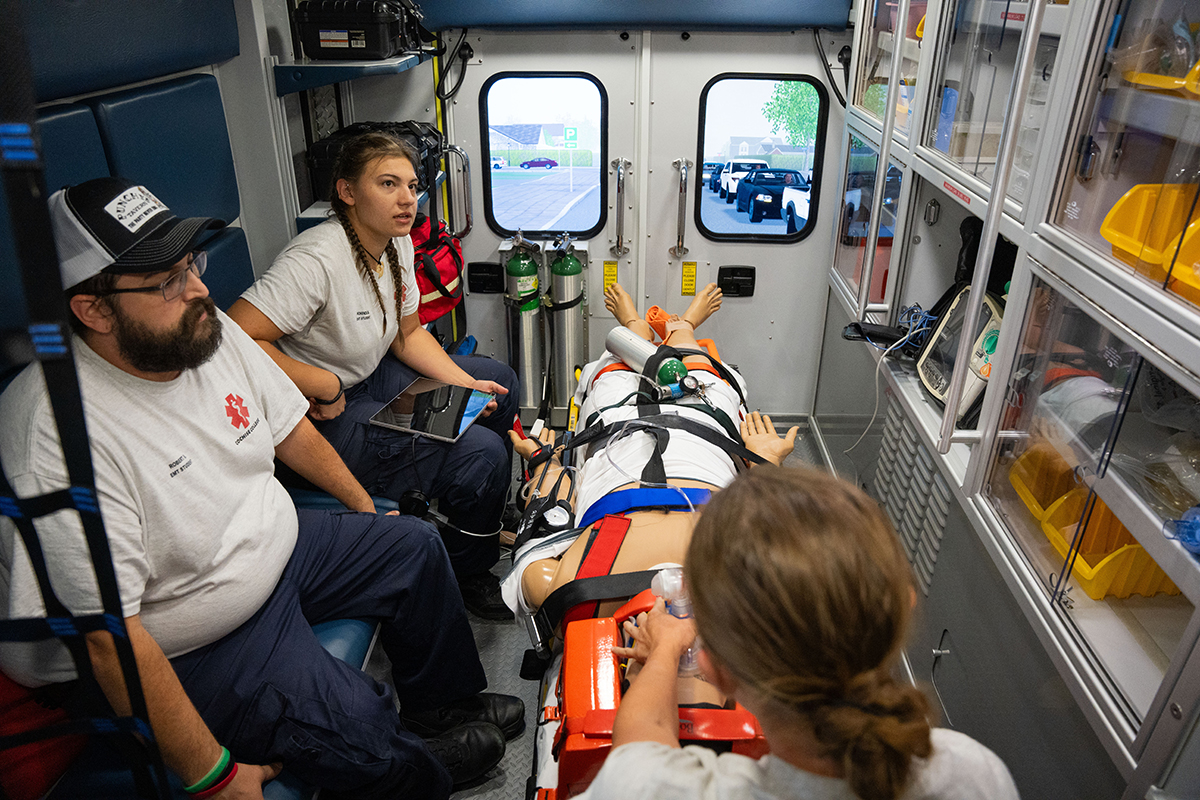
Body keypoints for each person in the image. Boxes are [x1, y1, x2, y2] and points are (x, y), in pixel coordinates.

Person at [0, 177, 523, 800]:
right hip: (184, 635)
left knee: (411, 545)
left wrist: (365, 516)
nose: (198, 289)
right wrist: (212, 780)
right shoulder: (56, 434)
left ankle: (441, 708)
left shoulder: (203, 328)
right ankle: (413, 766)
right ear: (93, 309)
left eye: (190, 264)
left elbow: (288, 429)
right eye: (166, 282)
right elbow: (107, 638)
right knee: (356, 725)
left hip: (269, 544)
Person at [581, 467, 1021, 800]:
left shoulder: (653, 788)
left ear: (713, 668)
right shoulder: (976, 774)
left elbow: (640, 742)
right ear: (903, 604)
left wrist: (664, 648)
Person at [228, 132, 518, 620]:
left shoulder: (394, 242)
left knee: (497, 384)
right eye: (388, 184)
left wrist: (466, 386)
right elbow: (234, 337)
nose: (407, 199)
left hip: (374, 373)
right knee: (482, 455)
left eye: (411, 184)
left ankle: (476, 514)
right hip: (323, 409)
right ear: (347, 192)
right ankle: (470, 569)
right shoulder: (315, 260)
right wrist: (319, 383)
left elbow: (406, 335)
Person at [502, 282, 798, 616]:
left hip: (618, 439)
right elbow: (779, 524)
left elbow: (549, 513)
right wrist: (766, 461)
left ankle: (635, 326)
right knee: (699, 375)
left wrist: (544, 461)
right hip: (702, 446)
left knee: (617, 374)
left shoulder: (573, 591)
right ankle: (681, 328)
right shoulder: (762, 590)